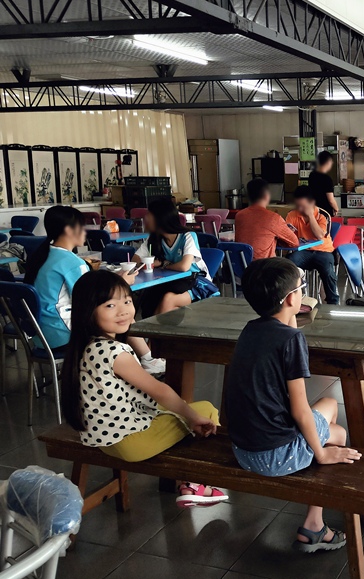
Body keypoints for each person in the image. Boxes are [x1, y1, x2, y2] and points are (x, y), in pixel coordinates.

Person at [225, 257, 360, 551]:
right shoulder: (291, 340)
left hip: (242, 450)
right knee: (337, 433)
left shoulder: (250, 329)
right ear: (290, 299)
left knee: (327, 407)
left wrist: (290, 313)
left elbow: (282, 330)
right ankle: (314, 525)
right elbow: (299, 410)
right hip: (271, 457)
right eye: (301, 288)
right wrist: (321, 454)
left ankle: (315, 511)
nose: (302, 292)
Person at [61, 269, 227, 508]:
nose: (123, 310)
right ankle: (195, 483)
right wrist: (191, 416)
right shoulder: (114, 352)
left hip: (102, 438)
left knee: (181, 409)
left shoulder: (86, 346)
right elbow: (159, 391)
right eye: (110, 305)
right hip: (130, 443)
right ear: (88, 311)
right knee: (205, 411)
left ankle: (190, 478)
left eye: (127, 301)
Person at [24, 205, 165, 375]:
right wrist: (122, 282)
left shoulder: (43, 255)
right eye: (82, 227)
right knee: (122, 314)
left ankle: (144, 360)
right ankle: (143, 362)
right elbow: (93, 298)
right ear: (69, 230)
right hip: (62, 334)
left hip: (41, 334)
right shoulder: (72, 262)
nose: (85, 232)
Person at [133, 198, 218, 317]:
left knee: (168, 300)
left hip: (197, 283)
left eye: (149, 215)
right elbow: (135, 259)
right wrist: (152, 262)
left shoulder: (188, 236)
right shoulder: (154, 239)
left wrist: (163, 264)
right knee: (151, 302)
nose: (145, 218)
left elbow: (184, 266)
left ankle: (153, 329)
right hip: (172, 282)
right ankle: (156, 329)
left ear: (160, 218)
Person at [285, 186, 339, 305]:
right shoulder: (292, 215)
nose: (300, 209)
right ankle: (290, 298)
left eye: (303, 206)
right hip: (303, 251)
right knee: (288, 264)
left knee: (327, 270)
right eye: (298, 205)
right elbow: (286, 234)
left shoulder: (322, 215)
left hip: (323, 251)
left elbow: (319, 235)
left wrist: (310, 216)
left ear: (311, 203)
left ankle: (333, 301)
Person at [235, 178, 299, 259]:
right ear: (266, 195)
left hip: (242, 264)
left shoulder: (239, 215)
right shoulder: (273, 218)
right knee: (291, 266)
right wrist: (286, 233)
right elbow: (295, 242)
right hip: (264, 265)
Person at [307, 150, 338, 217]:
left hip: (314, 211)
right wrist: (336, 209)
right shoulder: (327, 179)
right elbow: (331, 200)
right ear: (328, 162)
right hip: (325, 213)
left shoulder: (312, 175)